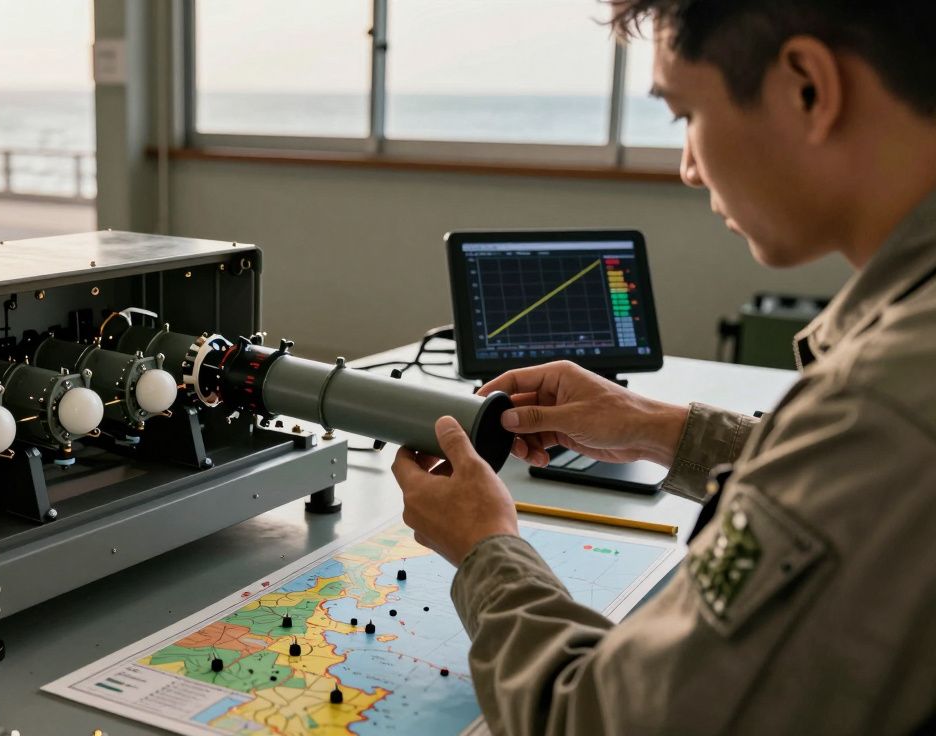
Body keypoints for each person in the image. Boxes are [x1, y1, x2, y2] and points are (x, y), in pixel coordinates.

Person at [391, 1, 936, 733]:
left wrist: (486, 549)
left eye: (685, 115)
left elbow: (596, 719)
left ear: (806, 86)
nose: (685, 167)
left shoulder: (883, 404)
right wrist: (656, 428)